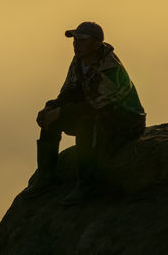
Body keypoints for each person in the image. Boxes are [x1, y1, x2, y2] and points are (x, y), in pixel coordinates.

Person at [23, 21, 147, 204]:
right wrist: (51, 107)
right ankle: (46, 177)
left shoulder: (110, 68)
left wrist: (61, 112)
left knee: (86, 124)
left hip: (125, 121)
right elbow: (70, 91)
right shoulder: (79, 61)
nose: (75, 44)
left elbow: (99, 106)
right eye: (75, 40)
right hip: (98, 112)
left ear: (96, 44)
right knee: (50, 120)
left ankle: (86, 184)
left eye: (81, 40)